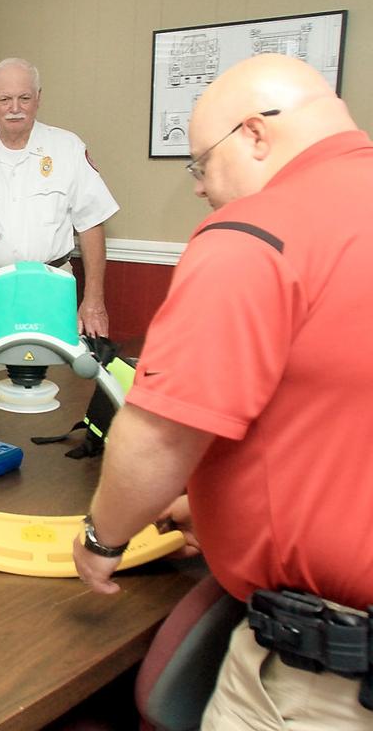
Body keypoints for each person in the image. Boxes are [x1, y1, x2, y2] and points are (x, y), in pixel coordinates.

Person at [73, 53, 373, 729]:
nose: (203, 189)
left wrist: (103, 537)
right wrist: (213, 508)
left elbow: (159, 432)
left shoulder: (258, 233)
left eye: (201, 165)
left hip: (325, 675)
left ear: (254, 135)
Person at [0, 58, 117, 337]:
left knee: (56, 376)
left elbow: (91, 224)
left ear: (38, 98)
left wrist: (93, 300)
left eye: (24, 98)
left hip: (53, 286)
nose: (15, 108)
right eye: (5, 99)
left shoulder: (67, 148)